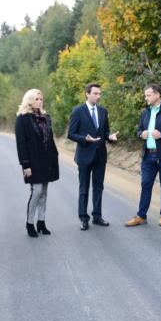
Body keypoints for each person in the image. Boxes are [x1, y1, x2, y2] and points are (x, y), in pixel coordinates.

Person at [124, 84, 161, 227]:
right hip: (148, 155)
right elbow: (138, 130)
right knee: (145, 184)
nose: (146, 98)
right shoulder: (145, 112)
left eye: (148, 95)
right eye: (146, 95)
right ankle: (141, 216)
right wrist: (141, 134)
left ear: (157, 95)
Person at [67, 83, 119, 231]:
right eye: (95, 93)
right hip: (84, 155)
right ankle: (83, 218)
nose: (98, 96)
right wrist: (85, 139)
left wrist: (110, 136)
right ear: (87, 94)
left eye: (100, 93)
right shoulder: (78, 111)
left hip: (100, 156)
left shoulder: (103, 111)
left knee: (98, 187)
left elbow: (105, 132)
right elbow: (71, 133)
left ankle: (97, 216)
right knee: (83, 188)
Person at [15, 89, 60, 237]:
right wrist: (25, 165)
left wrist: (55, 156)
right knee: (37, 191)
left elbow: (50, 139)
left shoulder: (46, 117)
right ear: (29, 100)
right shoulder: (22, 118)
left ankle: (41, 222)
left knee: (45, 192)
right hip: (33, 162)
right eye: (36, 99)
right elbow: (21, 144)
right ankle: (30, 224)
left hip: (47, 160)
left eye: (41, 99)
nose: (39, 101)